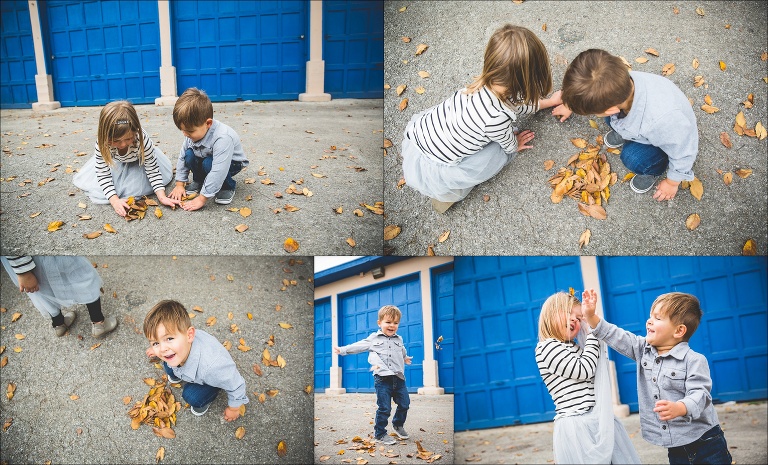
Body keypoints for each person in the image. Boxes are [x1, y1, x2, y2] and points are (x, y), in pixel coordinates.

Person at [401, 24, 568, 213]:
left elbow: (517, 104)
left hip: (424, 135)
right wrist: (516, 144)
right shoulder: (496, 118)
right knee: (496, 152)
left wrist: (548, 102)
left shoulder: (482, 85)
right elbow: (509, 144)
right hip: (439, 163)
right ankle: (446, 194)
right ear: (528, 79)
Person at [583, 289, 732, 465]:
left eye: (657, 318)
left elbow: (700, 394)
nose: (649, 321)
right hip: (675, 445)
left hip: (706, 441)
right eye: (650, 316)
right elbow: (616, 335)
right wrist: (591, 316)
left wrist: (681, 407)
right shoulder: (642, 349)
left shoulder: (694, 360)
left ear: (679, 331)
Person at [555, 48, 698, 201]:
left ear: (611, 109)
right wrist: (571, 103)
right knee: (608, 117)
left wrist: (672, 182)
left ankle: (653, 169)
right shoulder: (619, 83)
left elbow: (684, 151)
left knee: (632, 158)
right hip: (640, 120)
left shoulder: (662, 121)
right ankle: (625, 130)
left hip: (664, 137)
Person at [535, 291, 640, 464]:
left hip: (596, 419)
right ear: (552, 314)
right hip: (577, 425)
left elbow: (597, 368)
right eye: (570, 314)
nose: (576, 320)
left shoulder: (576, 348)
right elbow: (584, 369)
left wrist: (593, 324)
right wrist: (593, 333)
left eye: (579, 317)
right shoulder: (546, 348)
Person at [143, 299, 248, 421]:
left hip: (207, 375)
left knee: (192, 396)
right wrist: (154, 349)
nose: (162, 348)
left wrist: (234, 408)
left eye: (169, 338)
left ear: (189, 335)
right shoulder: (175, 349)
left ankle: (207, 397)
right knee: (168, 361)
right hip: (185, 359)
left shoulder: (213, 367)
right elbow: (163, 348)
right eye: (156, 342)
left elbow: (236, 384)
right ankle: (177, 373)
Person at [73, 100, 178, 217]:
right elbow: (103, 173)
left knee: (137, 187)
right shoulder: (102, 143)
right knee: (107, 190)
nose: (122, 144)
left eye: (128, 139)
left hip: (139, 161)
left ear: (135, 131)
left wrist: (162, 197)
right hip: (115, 162)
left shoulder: (142, 140)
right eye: (116, 141)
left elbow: (152, 169)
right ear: (105, 135)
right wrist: (114, 201)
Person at [333, 305, 413, 445]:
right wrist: (343, 350)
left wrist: (405, 358)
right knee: (384, 408)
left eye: (395, 323)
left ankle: (398, 424)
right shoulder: (374, 339)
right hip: (382, 380)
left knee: (405, 404)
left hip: (399, 379)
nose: (392, 325)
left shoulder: (399, 339)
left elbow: (402, 350)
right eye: (388, 322)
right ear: (379, 323)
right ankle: (380, 433)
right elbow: (359, 346)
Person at [168, 88, 249, 209]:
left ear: (208, 123)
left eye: (189, 131)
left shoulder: (222, 137)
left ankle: (228, 186)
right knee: (189, 155)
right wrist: (180, 184)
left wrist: (202, 198)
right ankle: (200, 180)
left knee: (208, 163)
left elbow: (219, 169)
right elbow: (182, 158)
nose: (185, 134)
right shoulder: (191, 134)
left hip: (231, 163)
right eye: (182, 130)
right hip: (207, 156)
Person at [1, 256, 118, 338]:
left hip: (15, 261)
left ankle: (59, 324)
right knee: (82, 276)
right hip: (26, 257)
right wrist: (23, 271)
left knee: (42, 290)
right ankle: (99, 323)